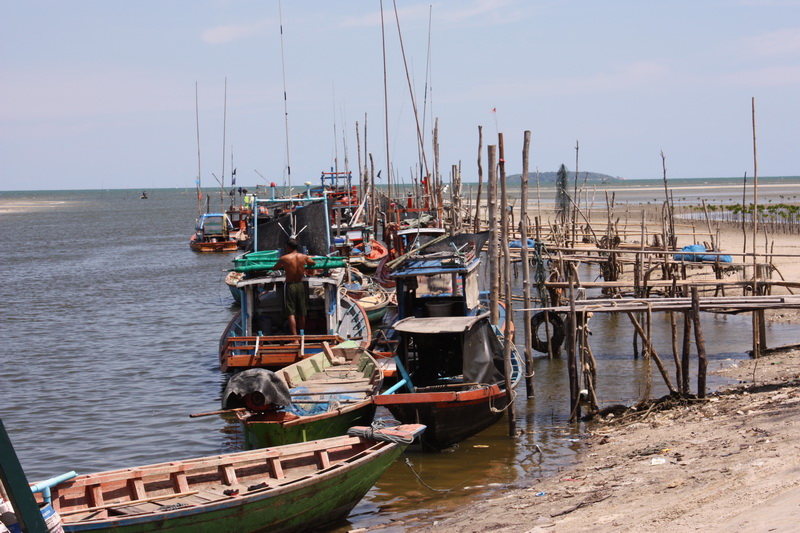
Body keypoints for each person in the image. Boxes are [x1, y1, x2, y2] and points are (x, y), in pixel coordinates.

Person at [273, 238, 316, 335]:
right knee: (301, 313)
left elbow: (274, 268)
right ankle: (302, 335)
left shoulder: (284, 258)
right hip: (300, 284)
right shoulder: (304, 257)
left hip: (290, 285)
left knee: (290, 313)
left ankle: (295, 338)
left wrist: (285, 266)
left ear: (288, 247)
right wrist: (305, 266)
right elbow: (313, 263)